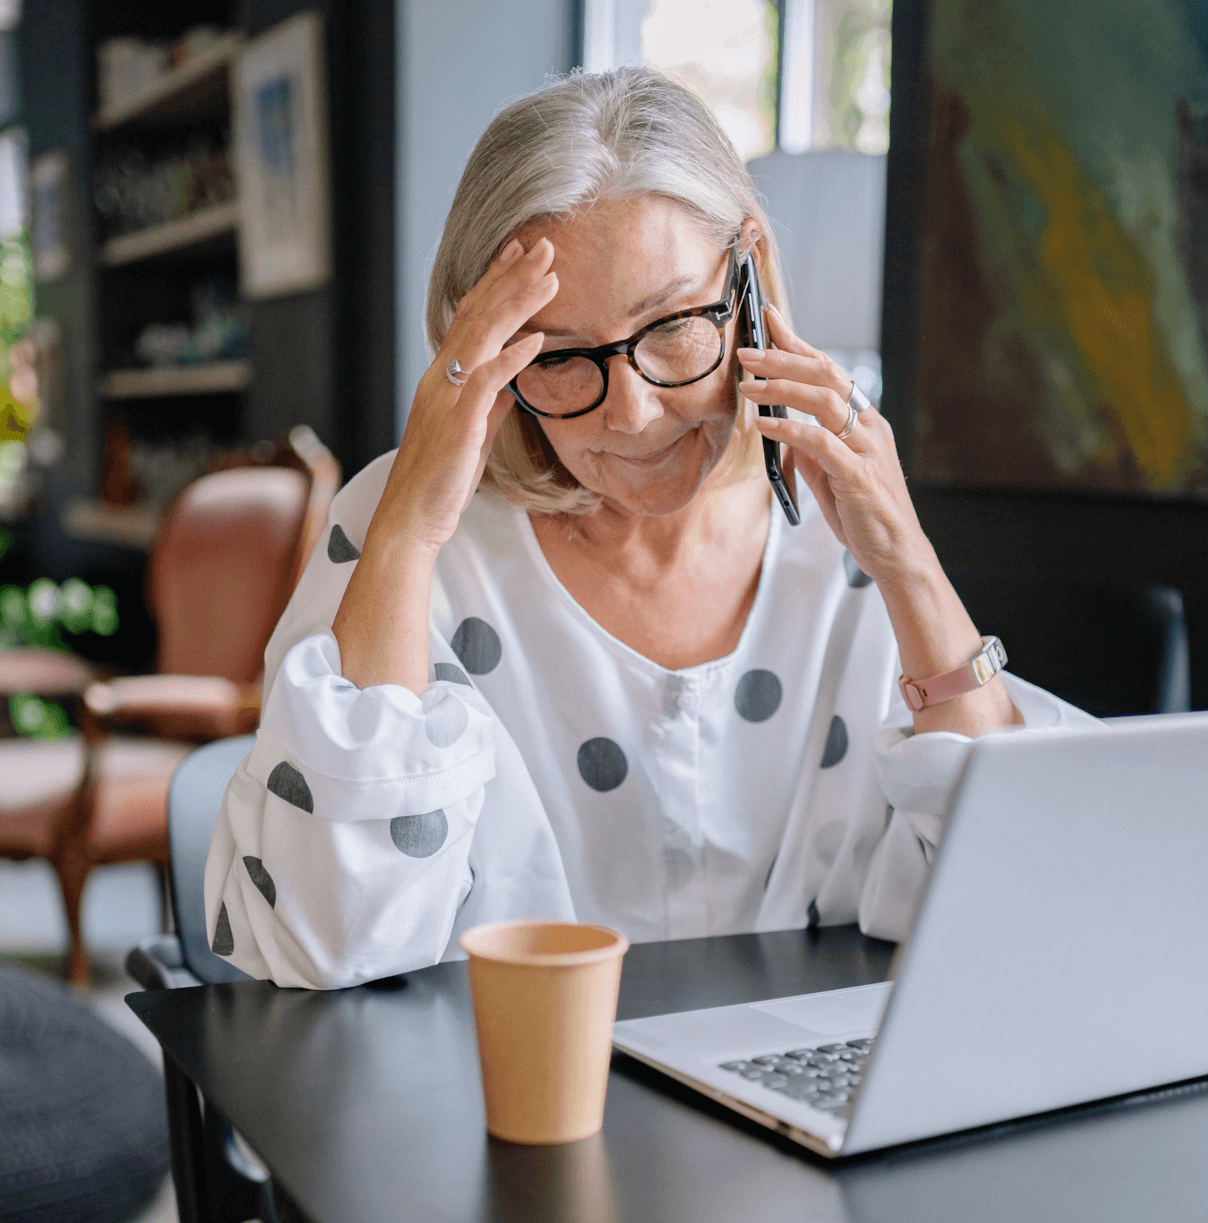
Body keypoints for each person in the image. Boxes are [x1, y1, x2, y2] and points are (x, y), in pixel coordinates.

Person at [204, 67, 1098, 989]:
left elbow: (1019, 894)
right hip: (505, 1097)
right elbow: (328, 938)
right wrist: (404, 539)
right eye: (556, 356)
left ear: (747, 276)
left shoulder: (839, 526)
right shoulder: (405, 531)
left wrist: (909, 563)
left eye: (672, 325)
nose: (629, 412)